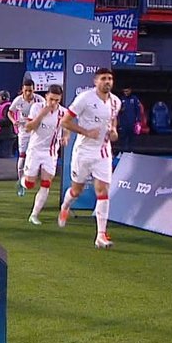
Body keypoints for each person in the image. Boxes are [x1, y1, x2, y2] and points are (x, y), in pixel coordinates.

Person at [57, 68, 121, 249]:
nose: (107, 82)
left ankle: (101, 235)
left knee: (103, 191)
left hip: (103, 152)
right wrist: (86, 132)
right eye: (103, 79)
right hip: (84, 151)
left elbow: (113, 122)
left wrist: (114, 132)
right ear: (96, 81)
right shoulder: (85, 98)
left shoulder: (116, 102)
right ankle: (65, 207)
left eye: (110, 79)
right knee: (76, 190)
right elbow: (65, 121)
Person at [21, 84, 67, 225]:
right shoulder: (36, 108)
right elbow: (28, 128)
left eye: (57, 101)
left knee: (46, 183)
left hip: (50, 152)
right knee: (29, 184)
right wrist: (42, 114)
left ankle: (34, 215)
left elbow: (67, 127)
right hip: (35, 150)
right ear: (46, 96)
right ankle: (22, 181)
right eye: (51, 99)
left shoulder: (63, 113)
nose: (53, 103)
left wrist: (66, 137)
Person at [9, 80, 45, 195]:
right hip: (24, 131)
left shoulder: (40, 99)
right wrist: (14, 121)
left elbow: (47, 111)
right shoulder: (18, 100)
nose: (28, 93)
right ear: (22, 90)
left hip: (36, 131)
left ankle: (38, 181)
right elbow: (10, 112)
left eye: (30, 90)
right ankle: (20, 182)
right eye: (26, 91)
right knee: (22, 156)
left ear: (34, 90)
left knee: (37, 154)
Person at [117, 86, 142, 153]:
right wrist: (120, 110)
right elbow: (117, 110)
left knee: (131, 137)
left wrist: (138, 120)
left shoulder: (134, 99)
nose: (126, 93)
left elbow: (138, 110)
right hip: (123, 122)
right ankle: (121, 152)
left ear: (130, 90)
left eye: (127, 91)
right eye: (124, 91)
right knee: (123, 137)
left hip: (132, 121)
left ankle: (131, 151)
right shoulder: (121, 99)